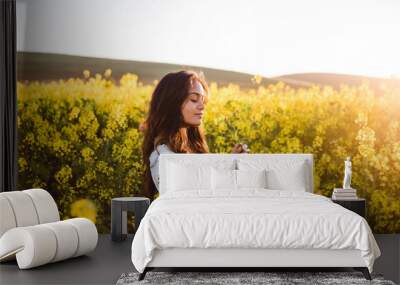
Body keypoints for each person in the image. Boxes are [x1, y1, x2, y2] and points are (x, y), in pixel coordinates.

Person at [141, 70, 249, 198]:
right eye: (194, 99)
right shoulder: (162, 155)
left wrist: (231, 162)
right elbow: (196, 195)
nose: (202, 106)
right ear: (171, 102)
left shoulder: (191, 146)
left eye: (203, 100)